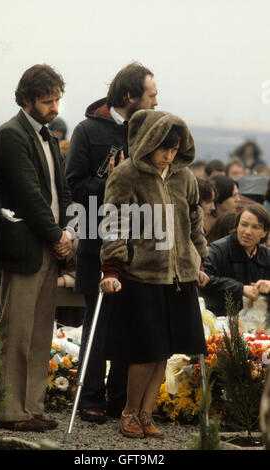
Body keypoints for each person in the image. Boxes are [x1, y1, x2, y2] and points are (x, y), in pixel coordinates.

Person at [100, 109, 209, 439]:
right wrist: (112, 266)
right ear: (148, 143)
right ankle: (129, 412)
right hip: (141, 274)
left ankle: (147, 415)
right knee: (144, 351)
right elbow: (113, 222)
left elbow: (194, 220)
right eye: (164, 148)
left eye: (175, 149)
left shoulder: (184, 176)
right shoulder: (127, 175)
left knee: (164, 350)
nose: (169, 155)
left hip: (180, 276)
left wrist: (200, 260)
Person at [65, 62, 158, 424]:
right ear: (130, 96)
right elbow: (76, 186)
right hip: (97, 239)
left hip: (138, 242)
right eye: (151, 95)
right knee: (98, 321)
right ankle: (90, 397)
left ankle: (122, 400)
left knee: (130, 323)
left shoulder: (148, 133)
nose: (155, 102)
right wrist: (112, 182)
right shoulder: (87, 131)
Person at [0, 64, 73, 432]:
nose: (54, 106)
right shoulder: (11, 134)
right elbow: (29, 195)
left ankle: (33, 407)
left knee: (42, 331)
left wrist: (69, 230)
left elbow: (61, 191)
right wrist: (58, 236)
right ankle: (10, 411)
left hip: (51, 244)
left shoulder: (49, 137)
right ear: (27, 100)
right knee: (18, 329)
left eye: (57, 98)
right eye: (46, 100)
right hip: (27, 246)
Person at [201, 204, 270, 316]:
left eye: (255, 227)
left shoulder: (266, 255)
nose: (247, 231)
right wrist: (241, 289)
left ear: (264, 232)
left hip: (258, 321)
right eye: (244, 225)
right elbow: (204, 277)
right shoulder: (218, 250)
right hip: (221, 317)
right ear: (237, 226)